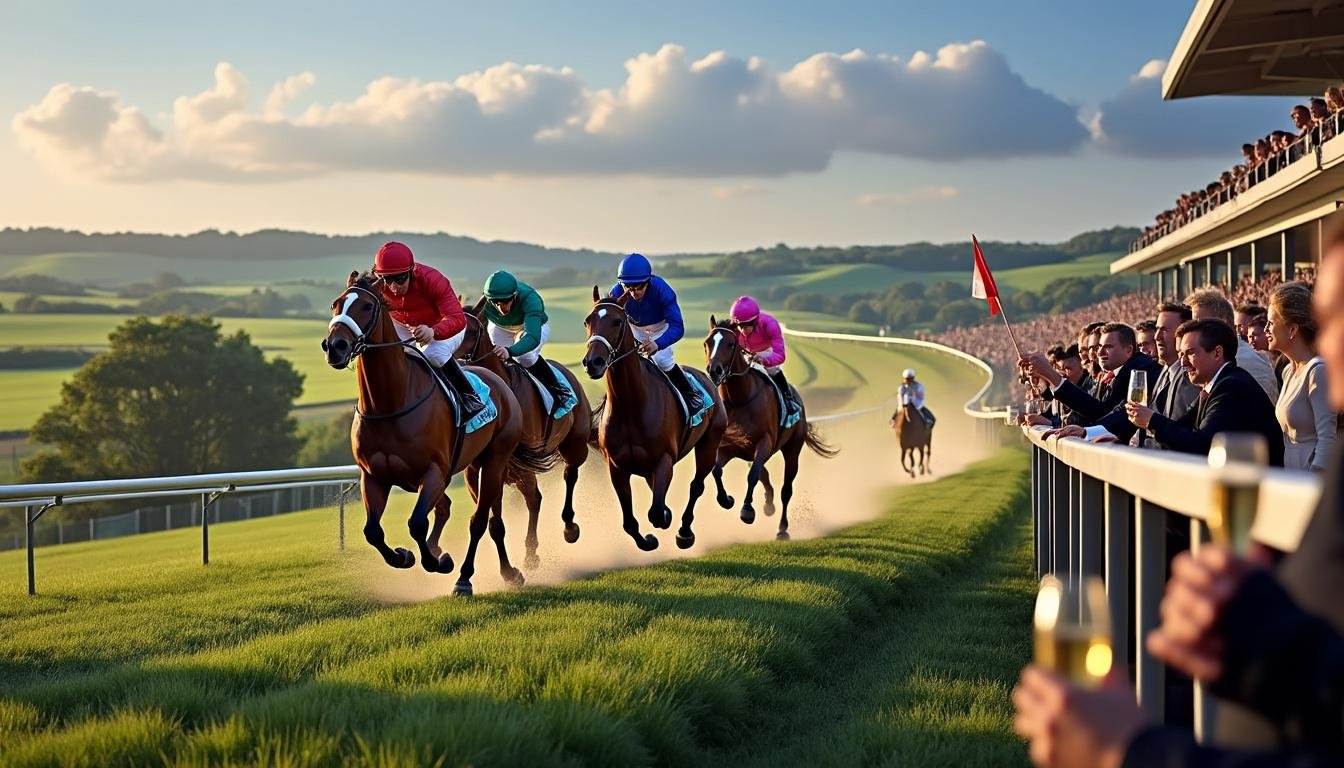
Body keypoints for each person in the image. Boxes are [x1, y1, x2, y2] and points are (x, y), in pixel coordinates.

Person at [1013, 218, 1344, 767]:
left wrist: (1131, 748)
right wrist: (1262, 642)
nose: (1326, 340)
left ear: (1217, 349)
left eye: (1336, 319)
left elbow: (1198, 441)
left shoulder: (1242, 384)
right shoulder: (1207, 379)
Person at [1125, 318, 1285, 466]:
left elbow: (1202, 445)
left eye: (1190, 353)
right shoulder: (1215, 385)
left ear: (1217, 353)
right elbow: (1181, 427)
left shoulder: (1231, 387)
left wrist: (1151, 420)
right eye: (1181, 354)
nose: (1183, 363)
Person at [371, 241, 485, 419]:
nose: (394, 287)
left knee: (434, 354)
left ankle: (469, 397)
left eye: (400, 279)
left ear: (411, 272)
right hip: (404, 325)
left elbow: (458, 318)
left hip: (446, 327)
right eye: (388, 280)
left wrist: (434, 331)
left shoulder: (432, 279)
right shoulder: (378, 284)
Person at [608, 252, 704, 412]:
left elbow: (678, 327)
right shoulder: (616, 292)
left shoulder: (662, 290)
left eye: (639, 287)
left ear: (648, 281)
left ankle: (691, 395)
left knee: (662, 359)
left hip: (661, 327)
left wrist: (658, 344)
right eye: (628, 287)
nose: (633, 293)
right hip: (634, 327)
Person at [1021, 323, 1162, 429]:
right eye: (1098, 347)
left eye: (1108, 347)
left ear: (1128, 350)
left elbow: (1102, 413)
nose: (1098, 353)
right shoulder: (1110, 374)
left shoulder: (1138, 368)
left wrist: (1051, 375)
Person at [1268, 282, 1338, 472]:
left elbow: (1327, 439)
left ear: (1292, 330)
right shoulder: (1288, 371)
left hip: (1311, 478)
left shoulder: (1318, 370)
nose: (1266, 329)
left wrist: (1313, 482)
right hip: (1291, 476)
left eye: (1271, 323)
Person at [481, 270, 570, 416]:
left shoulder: (530, 298)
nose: (500, 307)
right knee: (494, 357)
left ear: (515, 295)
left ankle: (558, 391)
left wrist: (510, 351)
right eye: (495, 302)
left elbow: (532, 337)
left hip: (532, 327)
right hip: (500, 328)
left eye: (505, 301)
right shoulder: (487, 299)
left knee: (525, 357)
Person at [1187, 288, 1280, 402]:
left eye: (1200, 324)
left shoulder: (1243, 361)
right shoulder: (1218, 357)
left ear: (1223, 321)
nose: (1192, 332)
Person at [727, 295, 799, 415]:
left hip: (767, 351)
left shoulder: (770, 324)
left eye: (748, 324)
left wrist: (763, 359)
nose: (743, 330)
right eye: (740, 325)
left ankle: (788, 398)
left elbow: (780, 355)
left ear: (755, 320)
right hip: (745, 352)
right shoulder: (732, 327)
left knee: (772, 369)